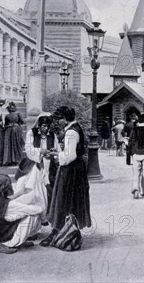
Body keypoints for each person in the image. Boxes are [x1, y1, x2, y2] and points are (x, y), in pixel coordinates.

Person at [40, 106, 91, 247]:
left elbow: (70, 156)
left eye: (59, 120)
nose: (58, 123)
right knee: (71, 201)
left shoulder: (70, 133)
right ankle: (66, 231)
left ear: (64, 118)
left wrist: (56, 155)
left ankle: (59, 233)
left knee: (63, 199)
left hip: (70, 170)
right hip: (77, 169)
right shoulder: (76, 127)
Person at [15, 112, 60, 223]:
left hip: (49, 164)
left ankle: (47, 214)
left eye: (48, 126)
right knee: (34, 188)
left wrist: (54, 151)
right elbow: (28, 148)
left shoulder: (52, 135)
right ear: (39, 125)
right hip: (35, 163)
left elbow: (57, 147)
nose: (46, 128)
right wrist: (40, 151)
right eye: (44, 126)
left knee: (49, 188)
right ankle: (36, 216)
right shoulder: (32, 133)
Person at [0, 174, 44, 254]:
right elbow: (38, 209)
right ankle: (11, 244)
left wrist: (21, 193)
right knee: (32, 215)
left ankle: (8, 242)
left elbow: (8, 199)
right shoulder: (9, 205)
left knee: (19, 213)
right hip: (3, 236)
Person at [3, 101, 25, 166]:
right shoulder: (18, 114)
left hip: (9, 130)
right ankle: (17, 159)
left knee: (11, 145)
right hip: (16, 129)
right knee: (17, 144)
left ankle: (11, 160)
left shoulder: (7, 116)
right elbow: (22, 122)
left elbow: (5, 124)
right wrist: (18, 124)